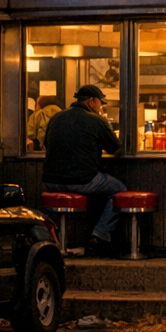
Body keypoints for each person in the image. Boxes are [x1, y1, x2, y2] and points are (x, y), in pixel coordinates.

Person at [42, 84, 126, 255]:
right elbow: (115, 147)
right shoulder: (96, 120)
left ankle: (56, 239)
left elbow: (45, 144)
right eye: (100, 103)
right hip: (82, 181)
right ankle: (100, 234)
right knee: (118, 190)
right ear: (93, 102)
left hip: (50, 181)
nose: (100, 107)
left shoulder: (56, 117)